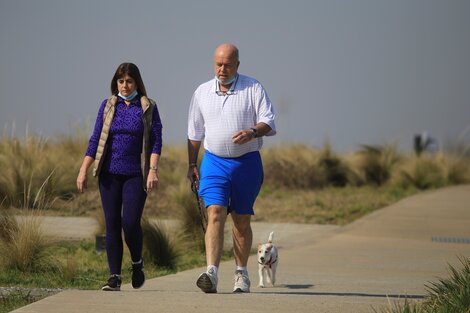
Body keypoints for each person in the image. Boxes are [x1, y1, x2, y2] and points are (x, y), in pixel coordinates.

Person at [187, 43, 276, 293]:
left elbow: (268, 121)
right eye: (218, 64)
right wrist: (192, 164)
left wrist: (252, 132)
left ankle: (241, 273)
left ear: (237, 64)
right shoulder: (202, 92)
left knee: (240, 220)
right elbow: (194, 134)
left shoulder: (253, 87)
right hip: (213, 161)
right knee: (214, 212)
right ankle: (211, 273)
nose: (222, 69)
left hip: (246, 163)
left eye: (227, 64)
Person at [76, 62, 163, 291]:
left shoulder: (147, 107)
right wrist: (84, 169)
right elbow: (95, 139)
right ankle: (114, 277)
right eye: (121, 81)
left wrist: (152, 170)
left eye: (129, 81)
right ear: (116, 82)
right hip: (109, 175)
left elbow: (156, 142)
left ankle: (137, 263)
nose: (125, 86)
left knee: (130, 223)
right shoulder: (107, 106)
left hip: (136, 175)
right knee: (112, 224)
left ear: (137, 83)